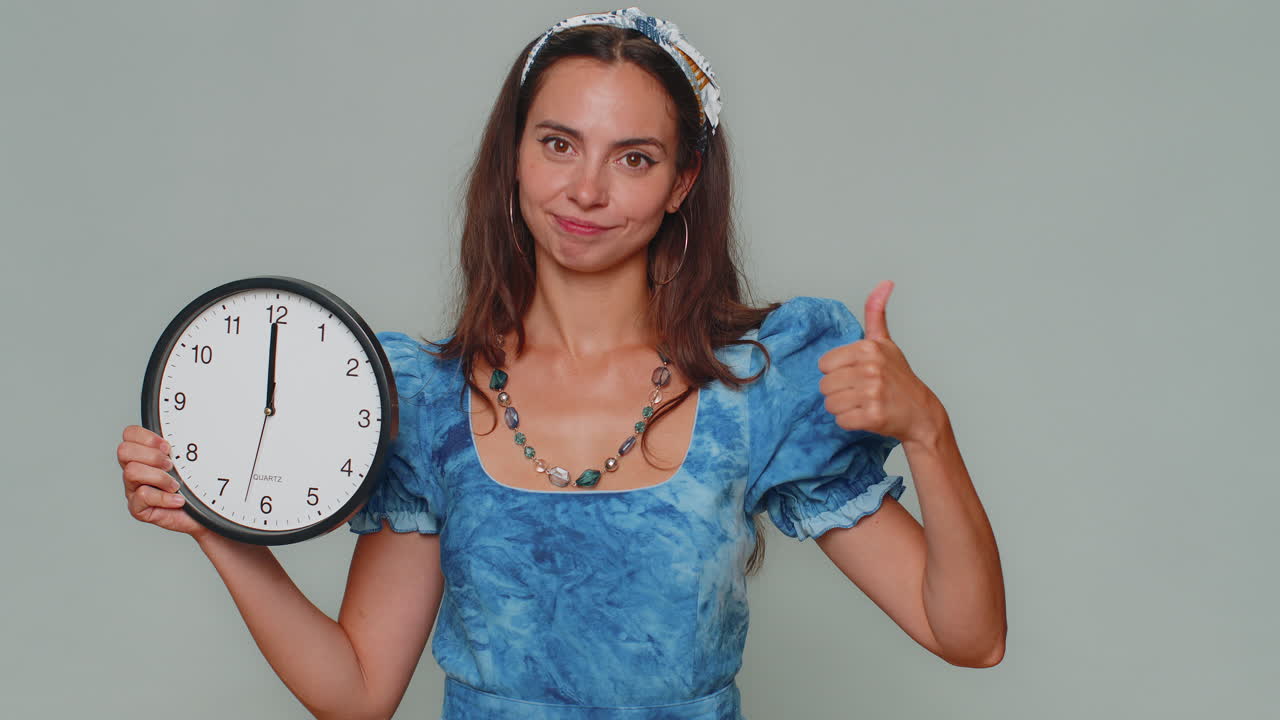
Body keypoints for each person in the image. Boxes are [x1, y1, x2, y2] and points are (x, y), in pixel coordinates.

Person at [116, 7, 1005, 719]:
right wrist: (216, 522)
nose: (586, 189)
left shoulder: (755, 392)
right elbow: (356, 692)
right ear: (514, 154)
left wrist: (929, 432)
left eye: (634, 158)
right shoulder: (425, 401)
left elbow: (969, 637)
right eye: (558, 144)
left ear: (683, 182)